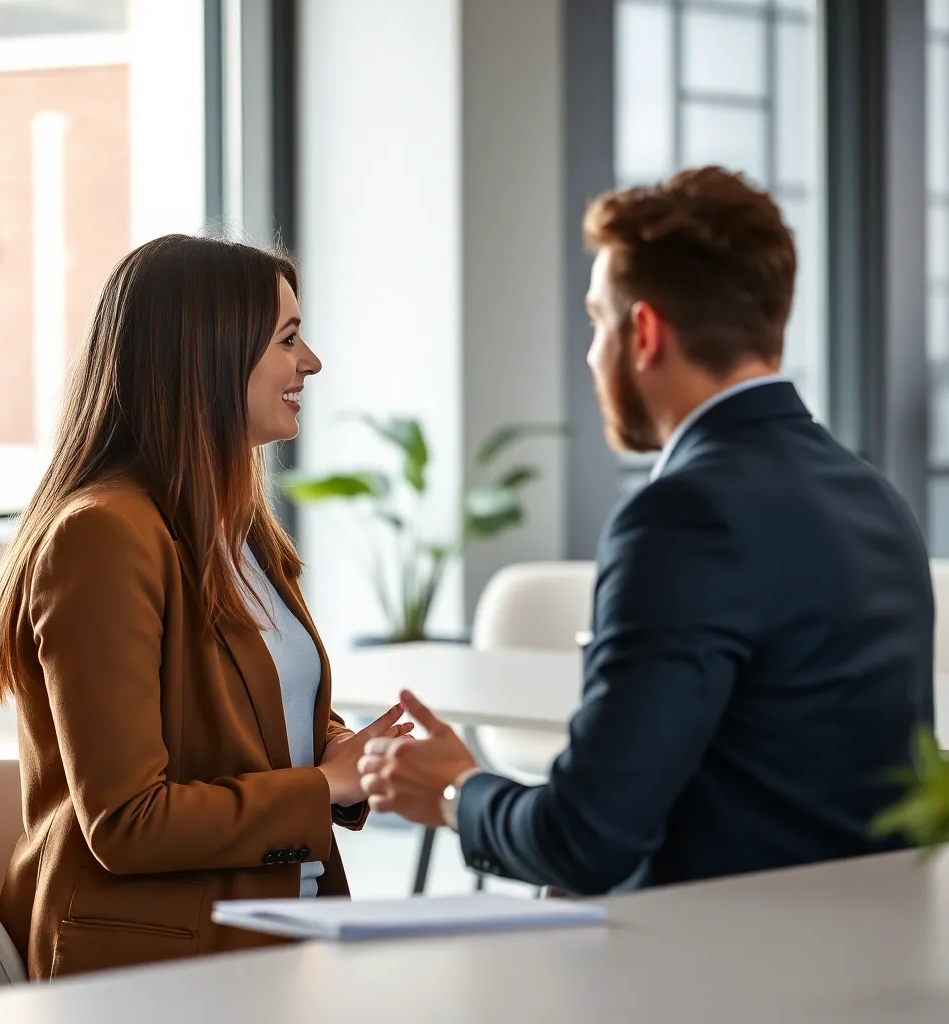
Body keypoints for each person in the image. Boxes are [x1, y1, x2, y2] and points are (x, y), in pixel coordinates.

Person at [357, 166, 936, 895]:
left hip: (701, 972)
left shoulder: (683, 517)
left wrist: (454, 791)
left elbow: (586, 838)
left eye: (597, 321)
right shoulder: (877, 498)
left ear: (644, 332)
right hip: (863, 970)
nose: (593, 351)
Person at [0, 235, 411, 979]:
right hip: (157, 959)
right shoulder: (103, 535)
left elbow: (246, 704)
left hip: (278, 930)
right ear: (207, 356)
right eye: (288, 339)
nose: (311, 362)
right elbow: (127, 823)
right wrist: (326, 787)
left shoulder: (238, 531)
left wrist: (337, 745)